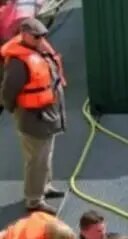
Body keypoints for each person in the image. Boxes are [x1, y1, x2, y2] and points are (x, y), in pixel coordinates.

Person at [1, 17, 67, 214]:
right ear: (25, 35)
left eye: (43, 36)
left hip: (48, 115)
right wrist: (14, 109)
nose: (41, 40)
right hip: (32, 118)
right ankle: (34, 199)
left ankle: (44, 187)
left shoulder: (39, 50)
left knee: (46, 155)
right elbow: (8, 91)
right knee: (36, 159)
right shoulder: (18, 62)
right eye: (37, 36)